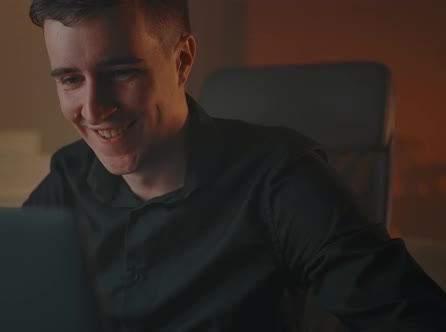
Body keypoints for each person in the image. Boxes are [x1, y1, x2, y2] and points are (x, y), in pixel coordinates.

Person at [22, 0, 446, 330]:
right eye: (71, 79)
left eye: (122, 72)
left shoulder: (281, 179)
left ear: (183, 60)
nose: (94, 110)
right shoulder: (66, 179)